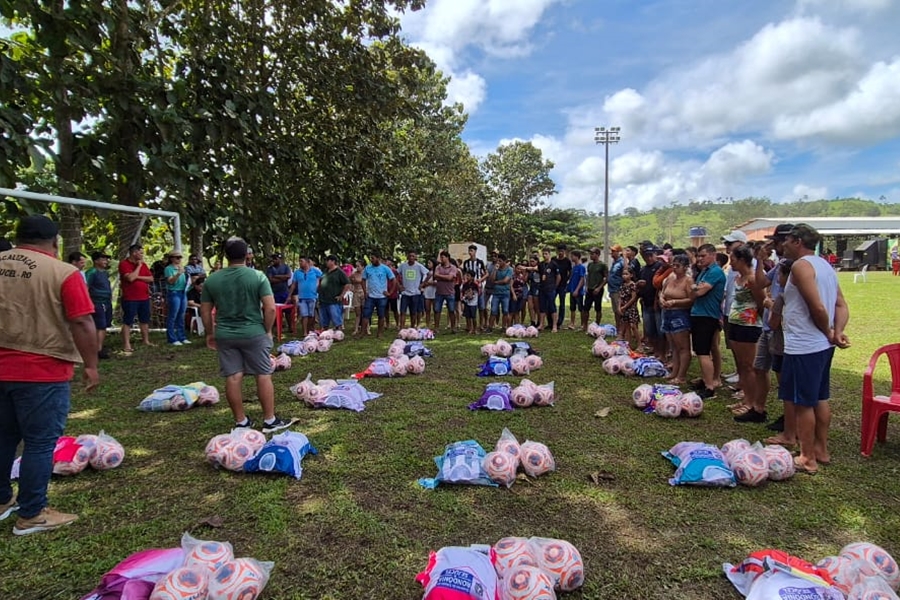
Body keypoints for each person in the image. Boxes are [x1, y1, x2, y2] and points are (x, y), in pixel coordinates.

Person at [0, 215, 99, 535]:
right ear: (55, 242)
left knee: (3, 437)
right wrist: (91, 365)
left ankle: (2, 500)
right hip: (41, 369)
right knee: (40, 443)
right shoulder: (62, 272)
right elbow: (82, 322)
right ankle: (32, 513)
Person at [779, 224, 850, 475]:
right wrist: (837, 332)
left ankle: (807, 457)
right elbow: (841, 305)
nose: (783, 244)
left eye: (786, 240)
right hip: (821, 346)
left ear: (797, 241)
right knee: (820, 397)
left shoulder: (801, 266)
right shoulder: (825, 266)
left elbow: (817, 307)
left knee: (803, 403)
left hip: (805, 345)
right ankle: (821, 449)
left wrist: (830, 332)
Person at [201, 237, 290, 433]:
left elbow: (205, 311)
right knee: (263, 374)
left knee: (233, 376)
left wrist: (210, 333)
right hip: (254, 333)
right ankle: (269, 420)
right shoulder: (257, 277)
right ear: (246, 255)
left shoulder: (212, 279)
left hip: (225, 334)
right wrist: (266, 330)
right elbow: (270, 309)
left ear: (226, 255)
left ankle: (241, 422)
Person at [725, 245, 766, 423]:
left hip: (749, 326)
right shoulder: (738, 278)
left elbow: (761, 303)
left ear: (741, 260)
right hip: (735, 323)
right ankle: (745, 397)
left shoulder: (752, 279)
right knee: (741, 365)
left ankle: (751, 402)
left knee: (749, 366)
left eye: (732, 259)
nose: (730, 262)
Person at [690, 243, 726, 399]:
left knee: (703, 352)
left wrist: (696, 288)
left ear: (713, 255)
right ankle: (706, 379)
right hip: (699, 313)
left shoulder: (715, 272)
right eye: (698, 256)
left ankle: (709, 387)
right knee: (702, 350)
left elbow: (700, 291)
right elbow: (695, 289)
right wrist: (696, 287)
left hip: (707, 315)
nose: (700, 259)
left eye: (703, 256)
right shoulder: (704, 272)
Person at [659, 254, 693, 384]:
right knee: (673, 346)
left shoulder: (688, 281)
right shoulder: (670, 277)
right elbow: (662, 292)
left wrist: (674, 302)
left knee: (683, 347)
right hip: (667, 313)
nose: (674, 268)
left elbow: (691, 299)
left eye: (677, 266)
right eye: (673, 265)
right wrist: (662, 299)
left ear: (685, 267)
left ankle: (681, 375)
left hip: (680, 315)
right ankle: (674, 372)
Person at [119, 243, 155, 354]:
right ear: (134, 253)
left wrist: (138, 277)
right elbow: (130, 278)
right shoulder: (124, 264)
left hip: (144, 297)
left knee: (144, 320)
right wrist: (138, 267)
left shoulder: (143, 265)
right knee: (128, 321)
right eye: (141, 253)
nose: (142, 255)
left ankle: (146, 340)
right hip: (130, 298)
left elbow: (151, 278)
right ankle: (126, 344)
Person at [359, 251, 396, 338]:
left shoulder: (385, 268)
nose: (371, 260)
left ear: (378, 258)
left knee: (381, 315)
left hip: (382, 297)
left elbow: (393, 280)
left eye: (373, 258)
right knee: (366, 314)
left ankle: (380, 333)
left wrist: (390, 292)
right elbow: (363, 280)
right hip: (370, 296)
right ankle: (362, 333)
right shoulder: (368, 268)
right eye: (370, 258)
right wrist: (365, 291)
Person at [85, 251, 113, 359]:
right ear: (96, 261)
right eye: (103, 259)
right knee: (99, 326)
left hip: (106, 301)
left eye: (106, 259)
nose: (106, 261)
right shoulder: (92, 272)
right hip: (97, 302)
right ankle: (97, 349)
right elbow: (86, 287)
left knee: (104, 325)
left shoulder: (105, 273)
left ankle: (99, 346)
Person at [289, 256, 322, 337]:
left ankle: (310, 329)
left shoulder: (315, 271)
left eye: (301, 261)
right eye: (299, 261)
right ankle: (305, 332)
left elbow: (322, 277)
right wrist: (289, 295)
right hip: (302, 297)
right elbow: (293, 284)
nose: (300, 263)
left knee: (311, 315)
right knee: (304, 315)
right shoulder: (297, 272)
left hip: (312, 296)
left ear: (307, 262)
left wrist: (318, 286)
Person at [318, 255, 351, 331]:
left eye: (328, 260)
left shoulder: (339, 272)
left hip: (333, 300)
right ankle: (325, 335)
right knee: (324, 322)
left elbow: (347, 284)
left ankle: (339, 334)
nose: (326, 262)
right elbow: (320, 280)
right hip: (323, 299)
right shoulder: (325, 271)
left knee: (336, 320)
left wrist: (341, 295)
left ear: (333, 261)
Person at [164, 250, 190, 346]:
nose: (179, 259)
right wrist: (178, 273)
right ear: (172, 258)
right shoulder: (168, 269)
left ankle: (181, 336)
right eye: (177, 257)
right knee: (173, 315)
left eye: (180, 257)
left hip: (183, 292)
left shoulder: (181, 268)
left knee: (181, 315)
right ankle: (172, 338)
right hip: (174, 292)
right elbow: (171, 281)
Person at [398, 251, 429, 329]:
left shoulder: (419, 266)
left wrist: (423, 284)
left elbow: (429, 274)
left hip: (415, 293)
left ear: (415, 257)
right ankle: (401, 327)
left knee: (414, 312)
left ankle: (412, 327)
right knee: (403, 312)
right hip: (405, 293)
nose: (411, 258)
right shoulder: (403, 266)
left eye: (413, 256)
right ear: (407, 257)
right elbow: (395, 274)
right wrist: (399, 285)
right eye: (410, 256)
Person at [432, 250, 459, 334]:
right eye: (440, 257)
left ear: (447, 258)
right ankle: (436, 327)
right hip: (439, 292)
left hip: (450, 292)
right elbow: (435, 276)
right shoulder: (438, 267)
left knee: (451, 310)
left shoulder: (453, 267)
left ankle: (453, 327)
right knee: (437, 310)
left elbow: (450, 278)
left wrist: (440, 277)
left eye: (442, 257)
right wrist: (445, 277)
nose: (441, 259)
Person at [583, 247, 608, 330]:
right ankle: (585, 325)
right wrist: (586, 286)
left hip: (598, 289)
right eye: (590, 254)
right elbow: (588, 276)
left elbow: (606, 278)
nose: (591, 255)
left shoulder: (602, 265)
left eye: (592, 254)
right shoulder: (590, 265)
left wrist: (599, 288)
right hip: (589, 289)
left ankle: (597, 324)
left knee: (598, 308)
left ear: (597, 255)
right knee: (586, 308)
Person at [538, 248, 560, 332]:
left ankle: (554, 326)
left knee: (552, 307)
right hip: (542, 288)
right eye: (543, 254)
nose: (544, 255)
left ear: (549, 254)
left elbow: (558, 277)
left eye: (546, 254)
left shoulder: (554, 264)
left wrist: (555, 286)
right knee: (542, 307)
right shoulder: (541, 264)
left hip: (551, 288)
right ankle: (541, 324)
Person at [490, 253, 514, 330]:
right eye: (498, 261)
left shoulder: (510, 269)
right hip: (496, 293)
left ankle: (504, 326)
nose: (498, 263)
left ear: (504, 261)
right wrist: (495, 270)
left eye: (500, 261)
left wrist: (496, 282)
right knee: (493, 310)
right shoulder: (496, 268)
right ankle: (490, 327)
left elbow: (506, 280)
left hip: (505, 293)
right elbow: (492, 279)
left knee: (505, 310)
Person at [618, 267, 640, 350]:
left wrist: (625, 306)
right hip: (624, 308)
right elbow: (620, 297)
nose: (624, 276)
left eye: (626, 274)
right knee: (627, 327)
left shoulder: (632, 285)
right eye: (623, 274)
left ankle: (639, 344)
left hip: (631, 308)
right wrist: (619, 307)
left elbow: (633, 298)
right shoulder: (622, 285)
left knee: (633, 326)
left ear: (631, 275)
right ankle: (628, 345)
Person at [552, 244, 572, 329]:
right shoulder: (553, 260)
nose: (560, 253)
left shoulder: (567, 261)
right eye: (559, 251)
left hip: (563, 285)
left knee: (562, 304)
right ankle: (552, 321)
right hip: (553, 284)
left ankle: (560, 321)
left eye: (562, 251)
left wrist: (567, 280)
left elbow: (570, 272)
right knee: (551, 302)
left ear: (565, 252)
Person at [607, 244, 625, 336]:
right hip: (612, 289)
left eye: (614, 251)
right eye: (612, 251)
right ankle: (618, 328)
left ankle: (621, 331)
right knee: (615, 311)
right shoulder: (615, 262)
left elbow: (625, 274)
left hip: (618, 289)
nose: (612, 253)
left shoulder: (622, 262)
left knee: (619, 310)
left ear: (619, 252)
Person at [566, 250, 585, 330]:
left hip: (578, 292)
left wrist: (577, 290)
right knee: (572, 308)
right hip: (572, 290)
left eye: (572, 256)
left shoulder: (581, 267)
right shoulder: (574, 267)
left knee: (581, 308)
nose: (571, 258)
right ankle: (572, 323)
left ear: (577, 257)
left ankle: (583, 324)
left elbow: (582, 279)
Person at [349, 260, 366, 334]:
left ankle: (366, 328)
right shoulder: (353, 274)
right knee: (358, 313)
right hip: (356, 293)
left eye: (359, 266)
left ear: (363, 267)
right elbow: (350, 282)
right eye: (356, 266)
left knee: (365, 312)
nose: (357, 268)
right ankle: (356, 329)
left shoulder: (365, 274)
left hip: (363, 292)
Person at [422, 258, 437, 330]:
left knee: (435, 309)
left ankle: (435, 325)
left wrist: (432, 283)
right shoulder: (427, 273)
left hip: (434, 293)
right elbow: (423, 283)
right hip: (427, 293)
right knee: (427, 309)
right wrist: (426, 283)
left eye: (430, 263)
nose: (428, 264)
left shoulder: (437, 272)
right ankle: (427, 324)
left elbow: (437, 283)